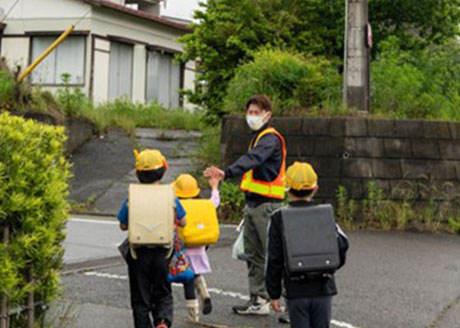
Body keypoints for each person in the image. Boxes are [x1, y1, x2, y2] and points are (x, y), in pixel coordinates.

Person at [204, 94, 287, 316]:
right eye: (249, 112)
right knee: (254, 254)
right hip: (253, 205)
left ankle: (292, 304)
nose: (251, 116)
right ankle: (259, 299)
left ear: (267, 115)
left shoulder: (270, 139)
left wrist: (227, 172)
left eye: (256, 113)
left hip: (268, 206)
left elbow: (253, 159)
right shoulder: (258, 137)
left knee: (275, 255)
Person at [266, 162, 349, 328]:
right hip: (323, 287)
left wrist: (273, 293)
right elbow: (341, 245)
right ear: (315, 188)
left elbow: (274, 259)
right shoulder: (325, 214)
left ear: (287, 189)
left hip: (295, 289)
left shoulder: (278, 217)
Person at [117, 149, 187, 328]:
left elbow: (123, 224)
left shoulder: (132, 195)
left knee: (140, 297)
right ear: (163, 171)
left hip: (138, 254)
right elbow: (184, 221)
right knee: (162, 291)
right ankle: (162, 321)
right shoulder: (169, 194)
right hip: (163, 252)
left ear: (138, 173)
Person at [173, 173, 221, 322]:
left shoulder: (178, 206)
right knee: (196, 273)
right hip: (200, 247)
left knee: (188, 280)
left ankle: (193, 316)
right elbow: (215, 201)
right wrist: (214, 187)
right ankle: (205, 294)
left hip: (184, 249)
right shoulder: (205, 204)